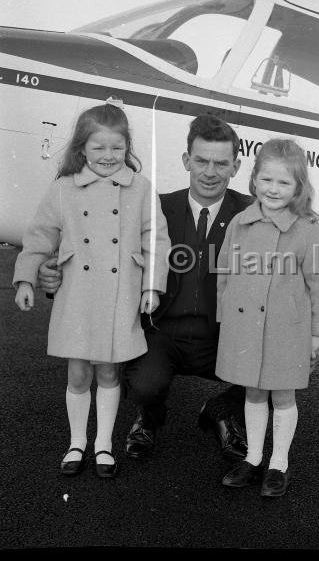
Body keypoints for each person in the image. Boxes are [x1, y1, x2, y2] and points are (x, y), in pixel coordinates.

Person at [39, 113, 252, 461]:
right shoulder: (156, 206)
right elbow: (98, 249)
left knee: (282, 361)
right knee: (144, 384)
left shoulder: (252, 213)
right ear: (186, 161)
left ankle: (224, 410)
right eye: (201, 161)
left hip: (222, 336)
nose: (210, 172)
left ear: (236, 166)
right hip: (163, 332)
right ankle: (148, 419)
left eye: (221, 163)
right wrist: (54, 275)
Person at [13, 102, 170, 478]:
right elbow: (39, 235)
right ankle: (76, 442)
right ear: (82, 148)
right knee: (79, 373)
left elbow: (157, 241)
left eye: (117, 147)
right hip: (78, 294)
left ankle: (104, 445)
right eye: (98, 147)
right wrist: (25, 277)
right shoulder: (63, 189)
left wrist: (153, 287)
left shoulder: (141, 189)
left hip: (121, 294)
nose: (108, 156)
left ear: (128, 148)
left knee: (109, 373)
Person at [216, 139, 319, 497]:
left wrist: (318, 334)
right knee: (252, 391)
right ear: (254, 181)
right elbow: (224, 270)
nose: (273, 189)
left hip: (287, 329)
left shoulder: (307, 230)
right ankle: (252, 458)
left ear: (299, 187)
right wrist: (225, 317)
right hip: (245, 327)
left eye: (284, 183)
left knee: (282, 395)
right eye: (266, 180)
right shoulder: (240, 222)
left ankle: (278, 463)